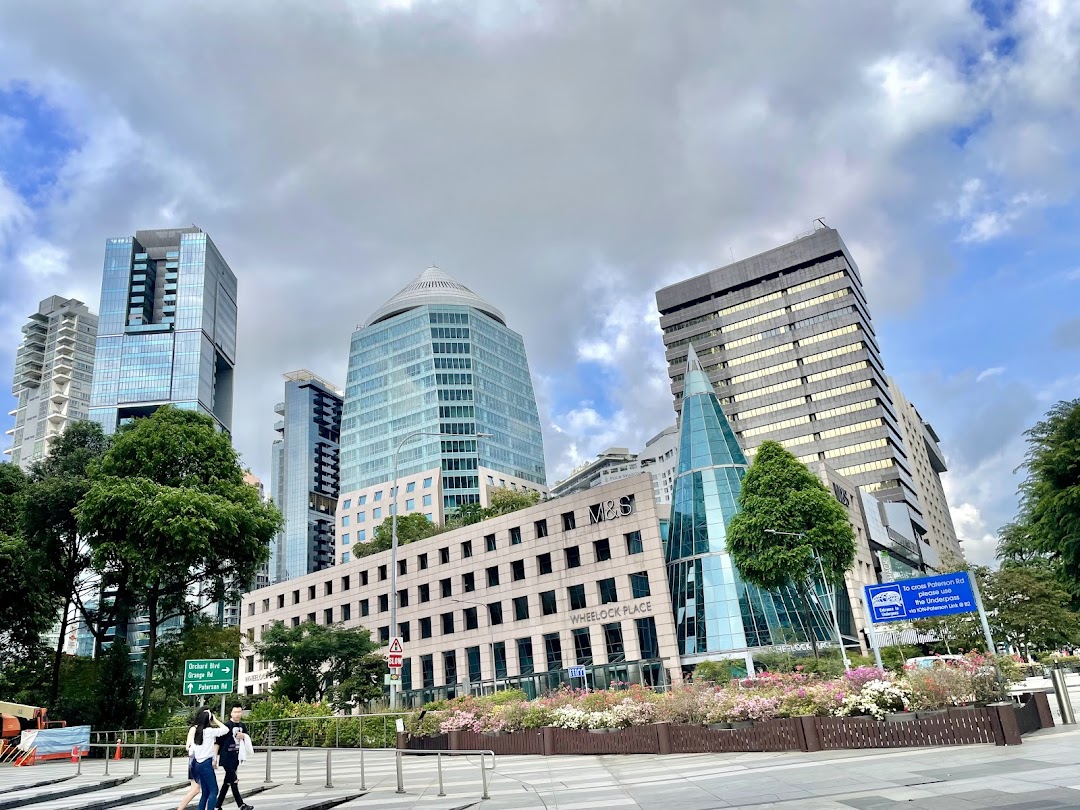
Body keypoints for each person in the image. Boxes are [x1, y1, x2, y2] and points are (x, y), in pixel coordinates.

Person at [214, 704, 253, 810]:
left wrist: (243, 736)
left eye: (239, 712)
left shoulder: (242, 725)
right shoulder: (226, 726)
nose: (237, 714)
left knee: (227, 782)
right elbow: (217, 742)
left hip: (236, 757)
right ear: (231, 713)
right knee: (234, 781)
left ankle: (217, 805)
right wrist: (214, 758)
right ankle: (241, 805)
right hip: (226, 757)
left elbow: (247, 738)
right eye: (235, 712)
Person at [189, 709, 230, 810]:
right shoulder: (209, 732)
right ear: (209, 720)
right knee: (214, 791)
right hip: (206, 764)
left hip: (197, 764)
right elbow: (226, 729)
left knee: (205, 792)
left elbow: (191, 751)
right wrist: (215, 720)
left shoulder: (197, 731)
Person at [175, 722, 200, 810]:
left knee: (199, 789)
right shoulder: (194, 729)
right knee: (195, 789)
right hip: (195, 761)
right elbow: (188, 746)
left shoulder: (207, 729)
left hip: (201, 762)